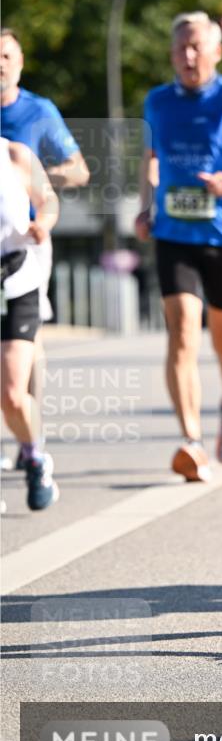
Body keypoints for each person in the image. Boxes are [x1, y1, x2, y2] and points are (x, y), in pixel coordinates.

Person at [135, 12, 222, 480]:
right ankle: (192, 441)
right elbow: (150, 159)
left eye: (198, 46)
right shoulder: (157, 101)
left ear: (217, 52)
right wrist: (145, 207)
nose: (189, 55)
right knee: (181, 334)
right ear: (172, 54)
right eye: (181, 47)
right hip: (173, 234)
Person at [0, 28, 90, 470]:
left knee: (27, 340)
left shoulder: (38, 111)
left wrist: (30, 180)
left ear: (20, 63)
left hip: (28, 239)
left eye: (6, 56)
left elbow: (79, 171)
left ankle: (28, 437)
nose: (0, 64)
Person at [1, 138, 59, 509]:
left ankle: (34, 455)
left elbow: (48, 201)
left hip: (15, 281)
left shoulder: (15, 155)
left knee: (11, 393)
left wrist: (43, 224)